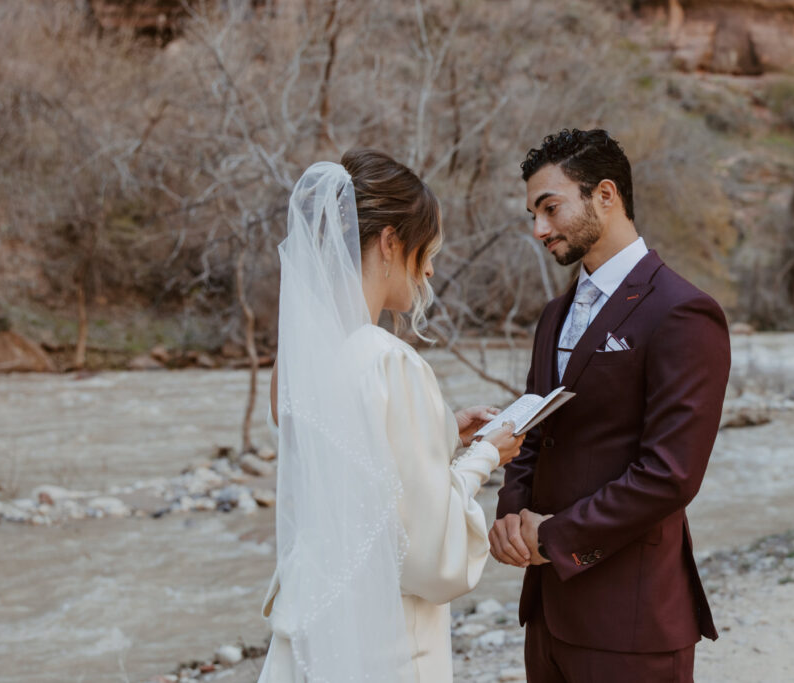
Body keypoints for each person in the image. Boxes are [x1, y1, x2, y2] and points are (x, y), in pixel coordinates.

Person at [258, 149, 524, 683]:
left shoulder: (297, 364)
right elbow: (424, 551)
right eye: (426, 250)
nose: (429, 268)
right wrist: (483, 459)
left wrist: (443, 429)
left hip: (315, 626)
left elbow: (355, 476)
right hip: (386, 640)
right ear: (389, 243)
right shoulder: (387, 359)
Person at [490, 129, 731, 683]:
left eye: (550, 208)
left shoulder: (684, 312)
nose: (538, 229)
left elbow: (670, 474)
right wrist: (509, 515)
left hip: (631, 619)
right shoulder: (554, 315)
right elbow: (533, 427)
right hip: (548, 611)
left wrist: (554, 538)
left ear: (605, 195)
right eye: (533, 213)